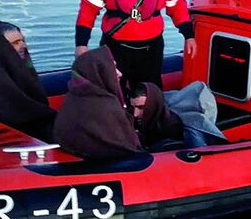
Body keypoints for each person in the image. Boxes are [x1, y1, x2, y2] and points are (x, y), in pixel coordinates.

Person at [53, 46, 184, 159]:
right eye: (113, 68)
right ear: (100, 71)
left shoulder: (73, 101)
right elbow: (127, 149)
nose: (120, 73)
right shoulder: (106, 107)